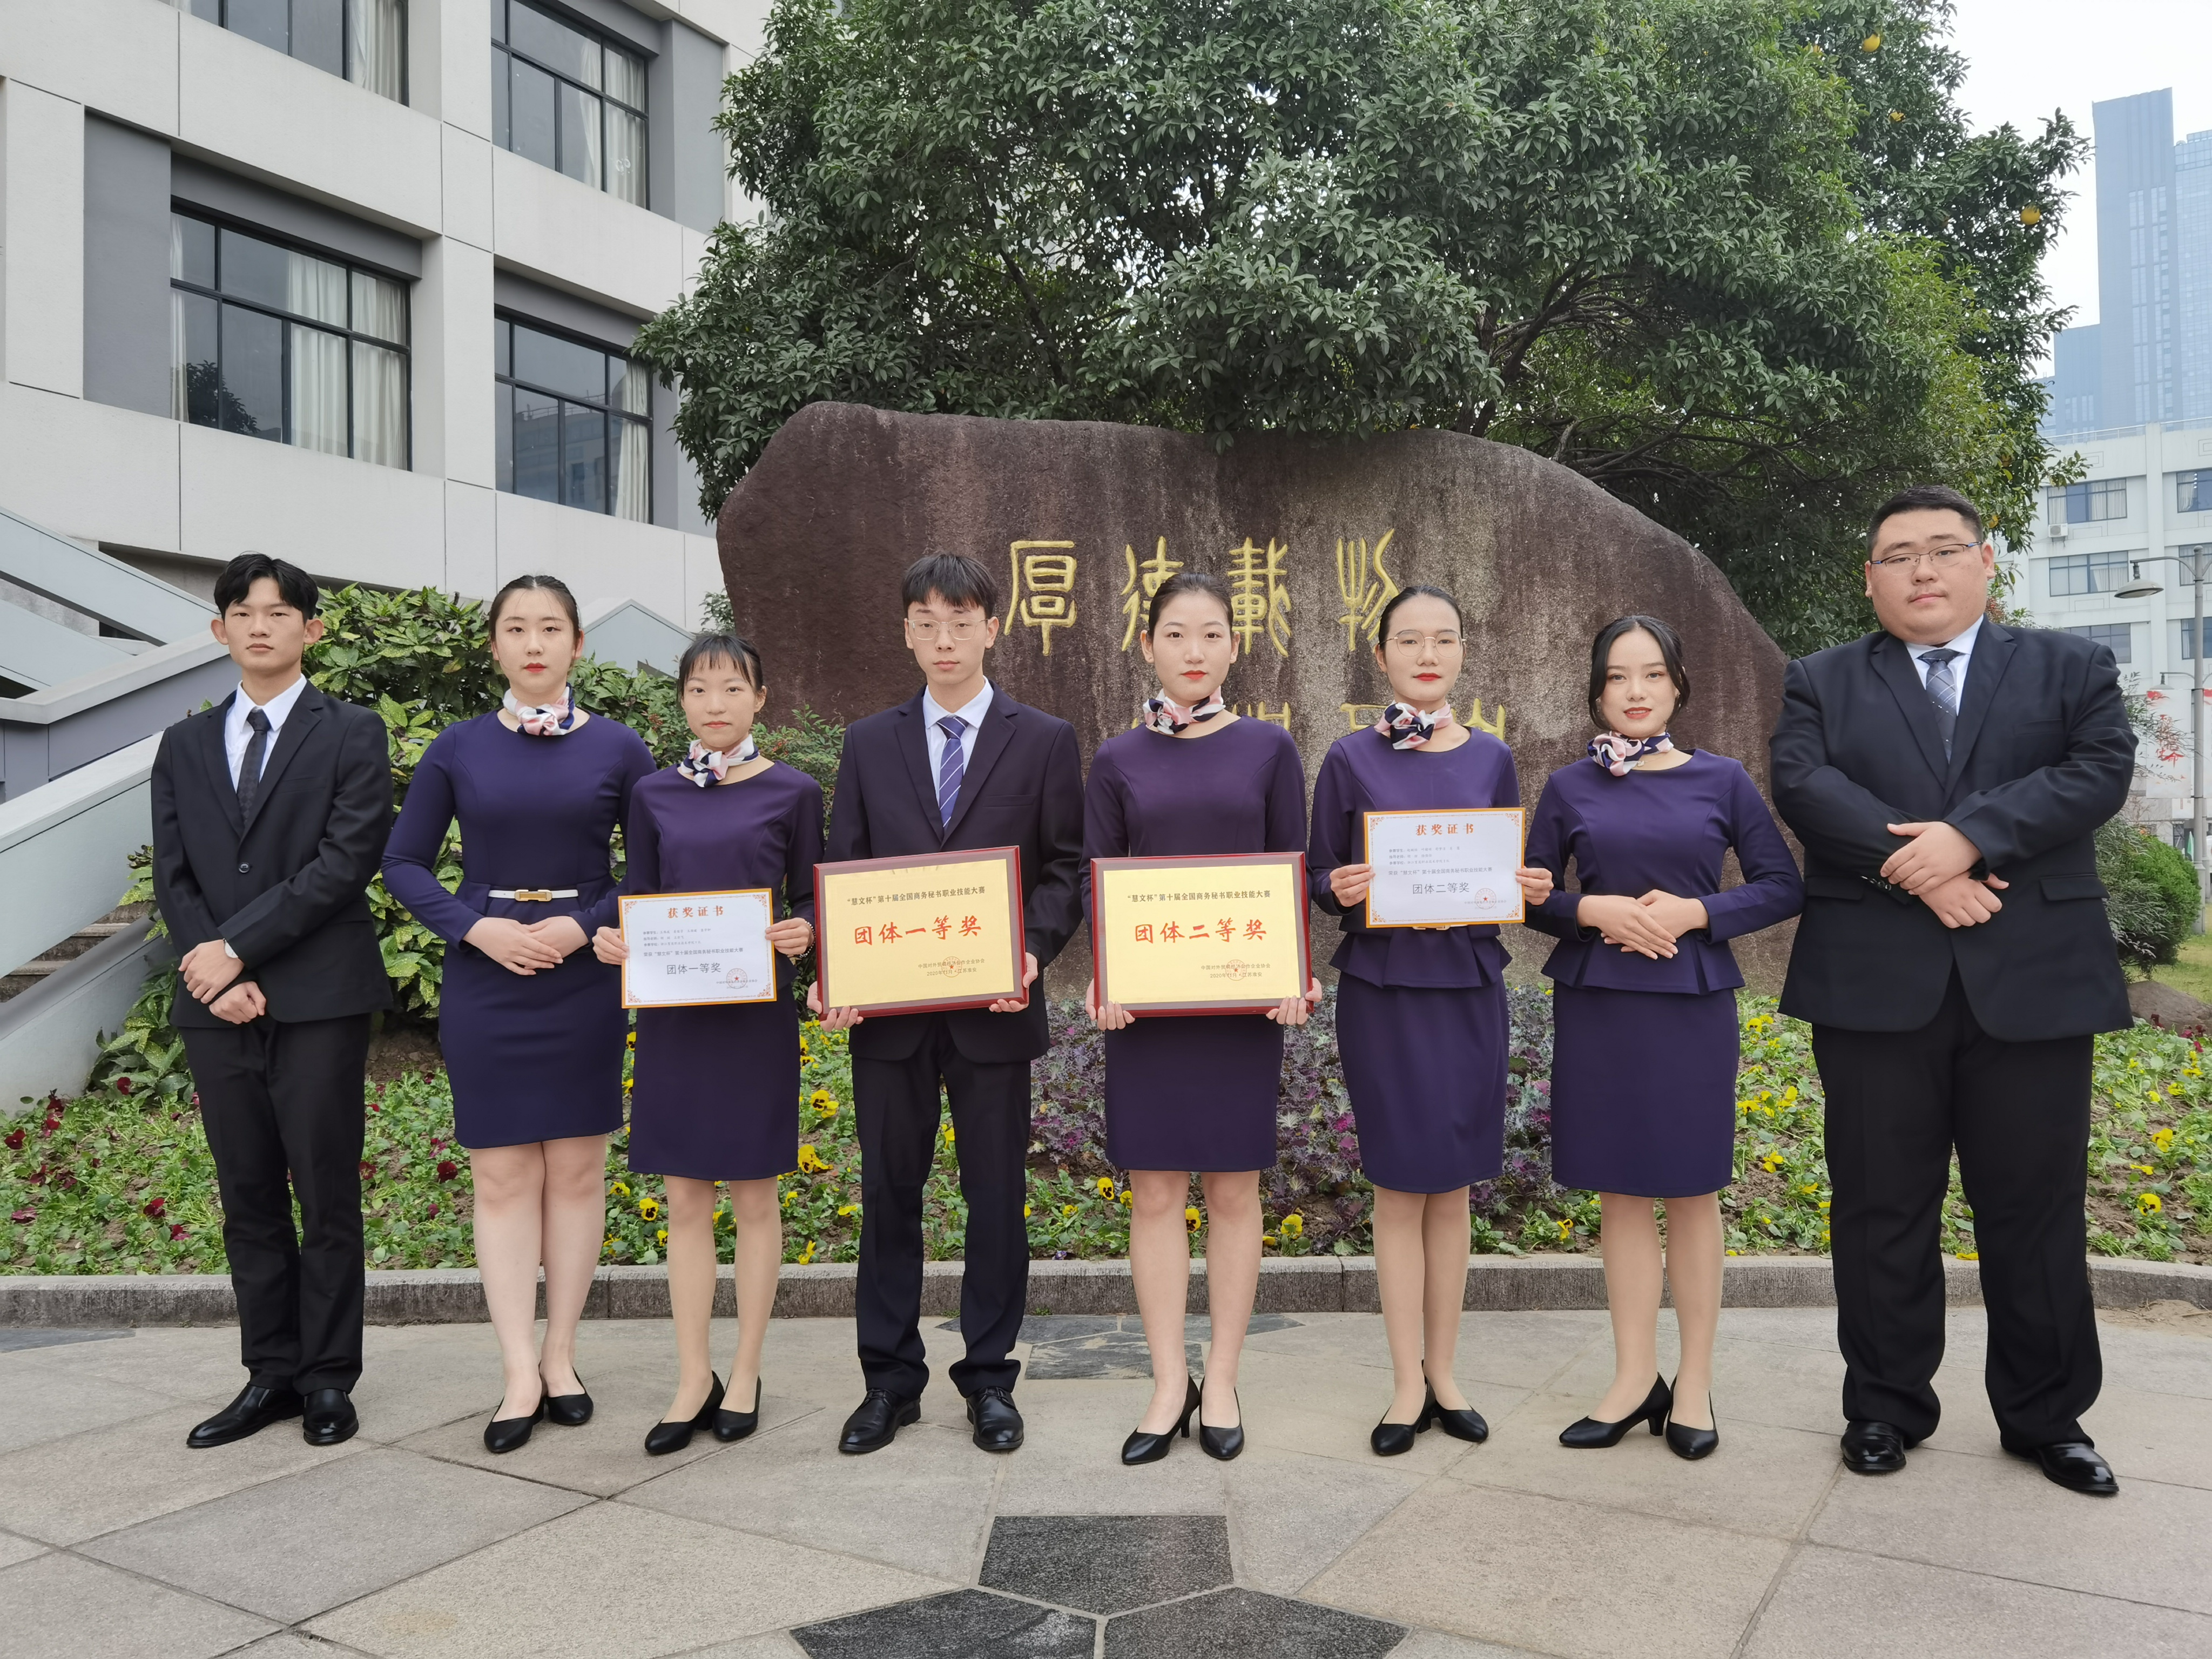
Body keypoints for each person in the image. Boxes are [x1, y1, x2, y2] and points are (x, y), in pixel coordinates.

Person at [1770, 484, 2135, 1496]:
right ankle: (1885, 1406)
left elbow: (2096, 771)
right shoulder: (1821, 680)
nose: (1921, 570)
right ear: (1871, 580)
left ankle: (2048, 1415)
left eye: (1942, 548)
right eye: (1898, 556)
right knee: (1880, 1205)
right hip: (1874, 986)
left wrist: (1968, 839)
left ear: (1985, 561)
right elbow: (1804, 784)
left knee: (2037, 1208)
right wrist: (1925, 873)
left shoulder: (2070, 667)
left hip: (2036, 983)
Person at [810, 552, 1085, 1456]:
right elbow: (846, 869)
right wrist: (839, 972)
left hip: (995, 1011)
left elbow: (1065, 868)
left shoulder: (1043, 739)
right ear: (906, 632)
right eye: (926, 622)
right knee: (889, 1195)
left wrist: (1031, 951)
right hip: (890, 1018)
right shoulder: (869, 742)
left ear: (991, 629)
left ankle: (990, 1379)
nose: (944, 639)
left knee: (995, 1197)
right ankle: (889, 1383)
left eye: (961, 622)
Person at [382, 575, 655, 1453]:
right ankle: (516, 1373)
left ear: (578, 644)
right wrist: (477, 929)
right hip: (487, 975)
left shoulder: (620, 747)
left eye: (550, 628)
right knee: (501, 1178)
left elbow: (654, 865)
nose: (534, 643)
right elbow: (404, 863)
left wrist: (583, 926)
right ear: (495, 645)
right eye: (516, 628)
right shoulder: (457, 747)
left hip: (583, 975)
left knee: (576, 1172)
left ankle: (562, 1358)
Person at [1520, 615, 1802, 1460]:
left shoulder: (1723, 780)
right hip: (1601, 1004)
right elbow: (1530, 896)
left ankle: (1695, 1384)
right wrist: (1591, 910)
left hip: (1689, 1004)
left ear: (1678, 686)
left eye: (1651, 675)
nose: (1635, 691)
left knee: (1691, 1191)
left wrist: (1697, 914)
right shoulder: (1569, 787)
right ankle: (1633, 1378)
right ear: (1597, 691)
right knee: (1619, 1192)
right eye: (1618, 677)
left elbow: (1782, 884)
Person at [152, 552, 392, 1451]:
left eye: (280, 611)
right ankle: (270, 1375)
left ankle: (328, 1378)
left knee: (325, 1191)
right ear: (220, 630)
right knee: (246, 1192)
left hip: (320, 997)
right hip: (216, 1004)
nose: (261, 625)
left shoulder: (352, 732)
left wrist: (237, 947)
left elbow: (346, 860)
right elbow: (174, 873)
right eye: (244, 612)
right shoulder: (183, 745)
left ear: (311, 629)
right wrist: (213, 968)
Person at [1085, 571, 1322, 1465]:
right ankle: (1166, 1383)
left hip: (1238, 1003)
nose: (1194, 651)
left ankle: (1220, 1379)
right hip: (1149, 1010)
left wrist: (1293, 972)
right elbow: (1098, 877)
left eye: (1212, 633)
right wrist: (1107, 976)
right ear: (1148, 645)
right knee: (1154, 1192)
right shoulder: (1117, 759)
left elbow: (1292, 868)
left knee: (1232, 1191)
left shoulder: (1269, 748)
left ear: (1234, 646)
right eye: (1176, 634)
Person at [1309, 585, 1541, 1456]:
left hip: (1468, 985)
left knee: (1455, 1184)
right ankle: (1405, 1383)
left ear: (1462, 652)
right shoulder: (1348, 758)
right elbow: (1316, 875)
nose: (1428, 654)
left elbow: (1508, 864)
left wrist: (1522, 885)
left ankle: (1446, 1373)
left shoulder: (1492, 757)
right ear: (1381, 656)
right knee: (1400, 1182)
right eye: (1410, 640)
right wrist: (1338, 885)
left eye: (1444, 639)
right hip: (1385, 990)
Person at [592, 633, 822, 1454]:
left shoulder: (795, 792)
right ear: (682, 700)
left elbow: (814, 895)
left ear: (761, 699)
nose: (714, 704)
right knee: (685, 1199)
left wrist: (805, 930)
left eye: (731, 689)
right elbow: (639, 895)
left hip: (754, 1020)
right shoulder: (654, 793)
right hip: (675, 1018)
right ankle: (693, 1377)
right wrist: (616, 940)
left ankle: (747, 1370)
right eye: (698, 689)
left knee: (755, 1198)